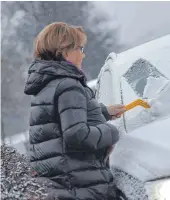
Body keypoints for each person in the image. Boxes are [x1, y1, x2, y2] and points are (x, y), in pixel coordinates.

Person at [23, 22, 125, 200]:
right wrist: (112, 131)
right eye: (80, 48)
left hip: (61, 184)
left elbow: (58, 119)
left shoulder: (47, 83)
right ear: (64, 51)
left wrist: (103, 112)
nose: (83, 54)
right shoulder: (68, 84)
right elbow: (77, 135)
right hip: (80, 184)